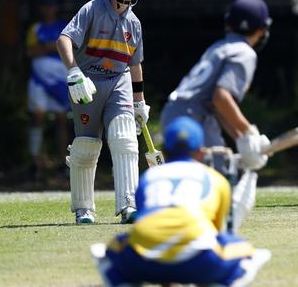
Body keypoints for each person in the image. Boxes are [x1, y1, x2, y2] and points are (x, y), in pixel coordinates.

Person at [91, 116, 271, 287]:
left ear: (165, 151)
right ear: (201, 152)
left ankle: (123, 281)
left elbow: (147, 221)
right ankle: (220, 282)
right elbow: (216, 233)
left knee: (110, 249)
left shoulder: (149, 177)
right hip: (198, 259)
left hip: (144, 261)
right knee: (248, 251)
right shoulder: (215, 178)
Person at [56, 0, 150, 224]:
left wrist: (139, 102)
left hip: (119, 82)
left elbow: (135, 64)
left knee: (125, 140)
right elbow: (64, 39)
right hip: (87, 84)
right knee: (86, 146)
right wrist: (73, 72)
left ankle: (129, 205)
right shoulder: (93, 9)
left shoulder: (134, 24)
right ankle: (84, 208)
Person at [160, 0, 272, 172]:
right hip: (195, 116)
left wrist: (241, 138)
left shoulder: (218, 47)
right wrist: (249, 132)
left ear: (229, 23)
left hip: (172, 112)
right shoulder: (244, 53)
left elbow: (219, 107)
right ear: (261, 30)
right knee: (217, 178)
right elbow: (221, 98)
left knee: (182, 179)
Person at [25, 0, 70, 180]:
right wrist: (52, 46)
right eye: (44, 5)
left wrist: (47, 46)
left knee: (61, 119)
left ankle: (62, 163)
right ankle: (35, 162)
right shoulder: (35, 28)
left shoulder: (64, 27)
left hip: (60, 80)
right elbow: (31, 51)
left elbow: (71, 49)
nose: (48, 9)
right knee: (38, 116)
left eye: (51, 5)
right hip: (39, 80)